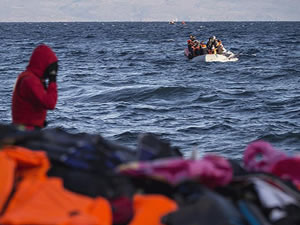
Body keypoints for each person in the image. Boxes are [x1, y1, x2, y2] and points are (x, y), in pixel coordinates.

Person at [12, 44, 58, 130]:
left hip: (24, 128)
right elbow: (50, 103)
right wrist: (52, 79)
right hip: (26, 130)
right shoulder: (30, 81)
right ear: (43, 64)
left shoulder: (28, 76)